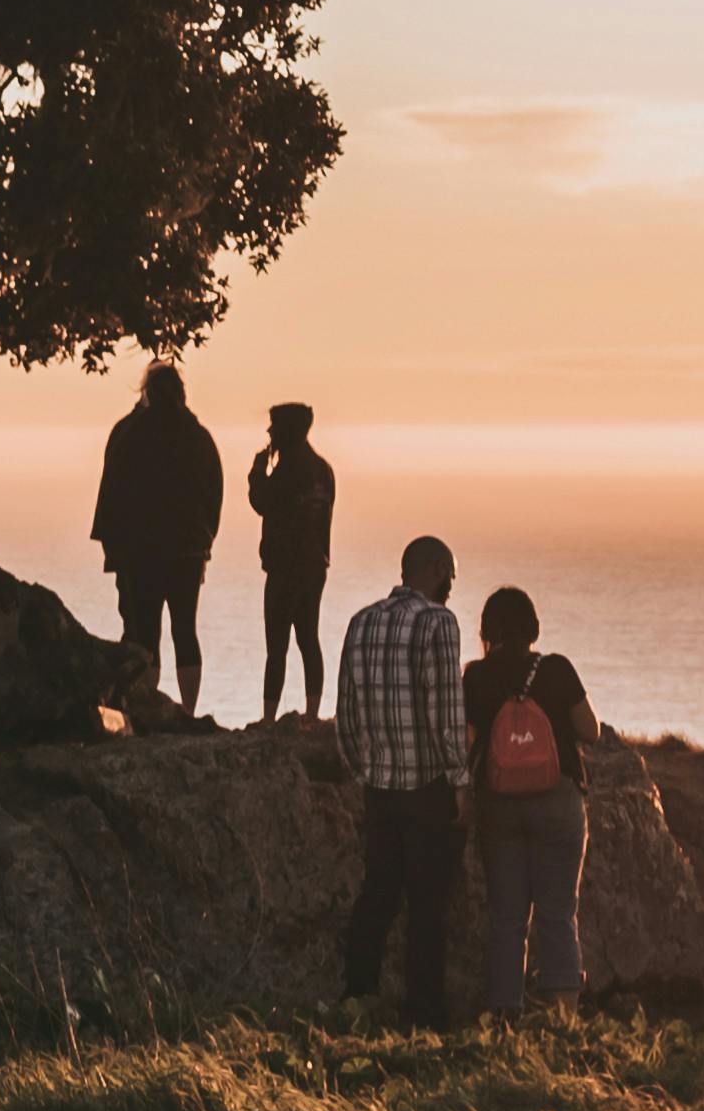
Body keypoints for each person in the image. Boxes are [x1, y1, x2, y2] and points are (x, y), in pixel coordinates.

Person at [335, 532, 468, 1016]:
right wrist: (459, 779)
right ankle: (424, 1010)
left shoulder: (361, 622)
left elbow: (346, 708)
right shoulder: (438, 622)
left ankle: (358, 995)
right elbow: (445, 709)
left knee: (378, 894)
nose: (452, 584)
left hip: (379, 786)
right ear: (433, 569)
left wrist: (358, 768)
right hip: (427, 788)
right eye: (450, 573)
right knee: (427, 905)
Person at [464, 579, 598, 1018]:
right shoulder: (557, 669)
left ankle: (504, 1015)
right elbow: (589, 731)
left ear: (488, 630)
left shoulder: (477, 677)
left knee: (507, 917)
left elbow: (465, 742)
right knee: (558, 913)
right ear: (534, 628)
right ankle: (564, 1019)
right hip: (558, 800)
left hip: (499, 804)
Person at [91, 356, 225, 709]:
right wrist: (204, 540)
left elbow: (113, 492)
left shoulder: (131, 434)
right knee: (185, 631)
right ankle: (189, 710)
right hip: (187, 551)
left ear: (147, 392)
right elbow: (214, 493)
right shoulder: (198, 437)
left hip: (141, 552)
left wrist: (114, 547)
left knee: (145, 635)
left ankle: (148, 707)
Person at [248, 395, 337, 721]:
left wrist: (258, 471)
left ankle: (269, 717)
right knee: (308, 639)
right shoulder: (323, 470)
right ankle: (313, 714)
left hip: (285, 567)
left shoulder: (288, 470)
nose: (269, 431)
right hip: (315, 565)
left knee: (277, 646)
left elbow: (263, 502)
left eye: (274, 426)